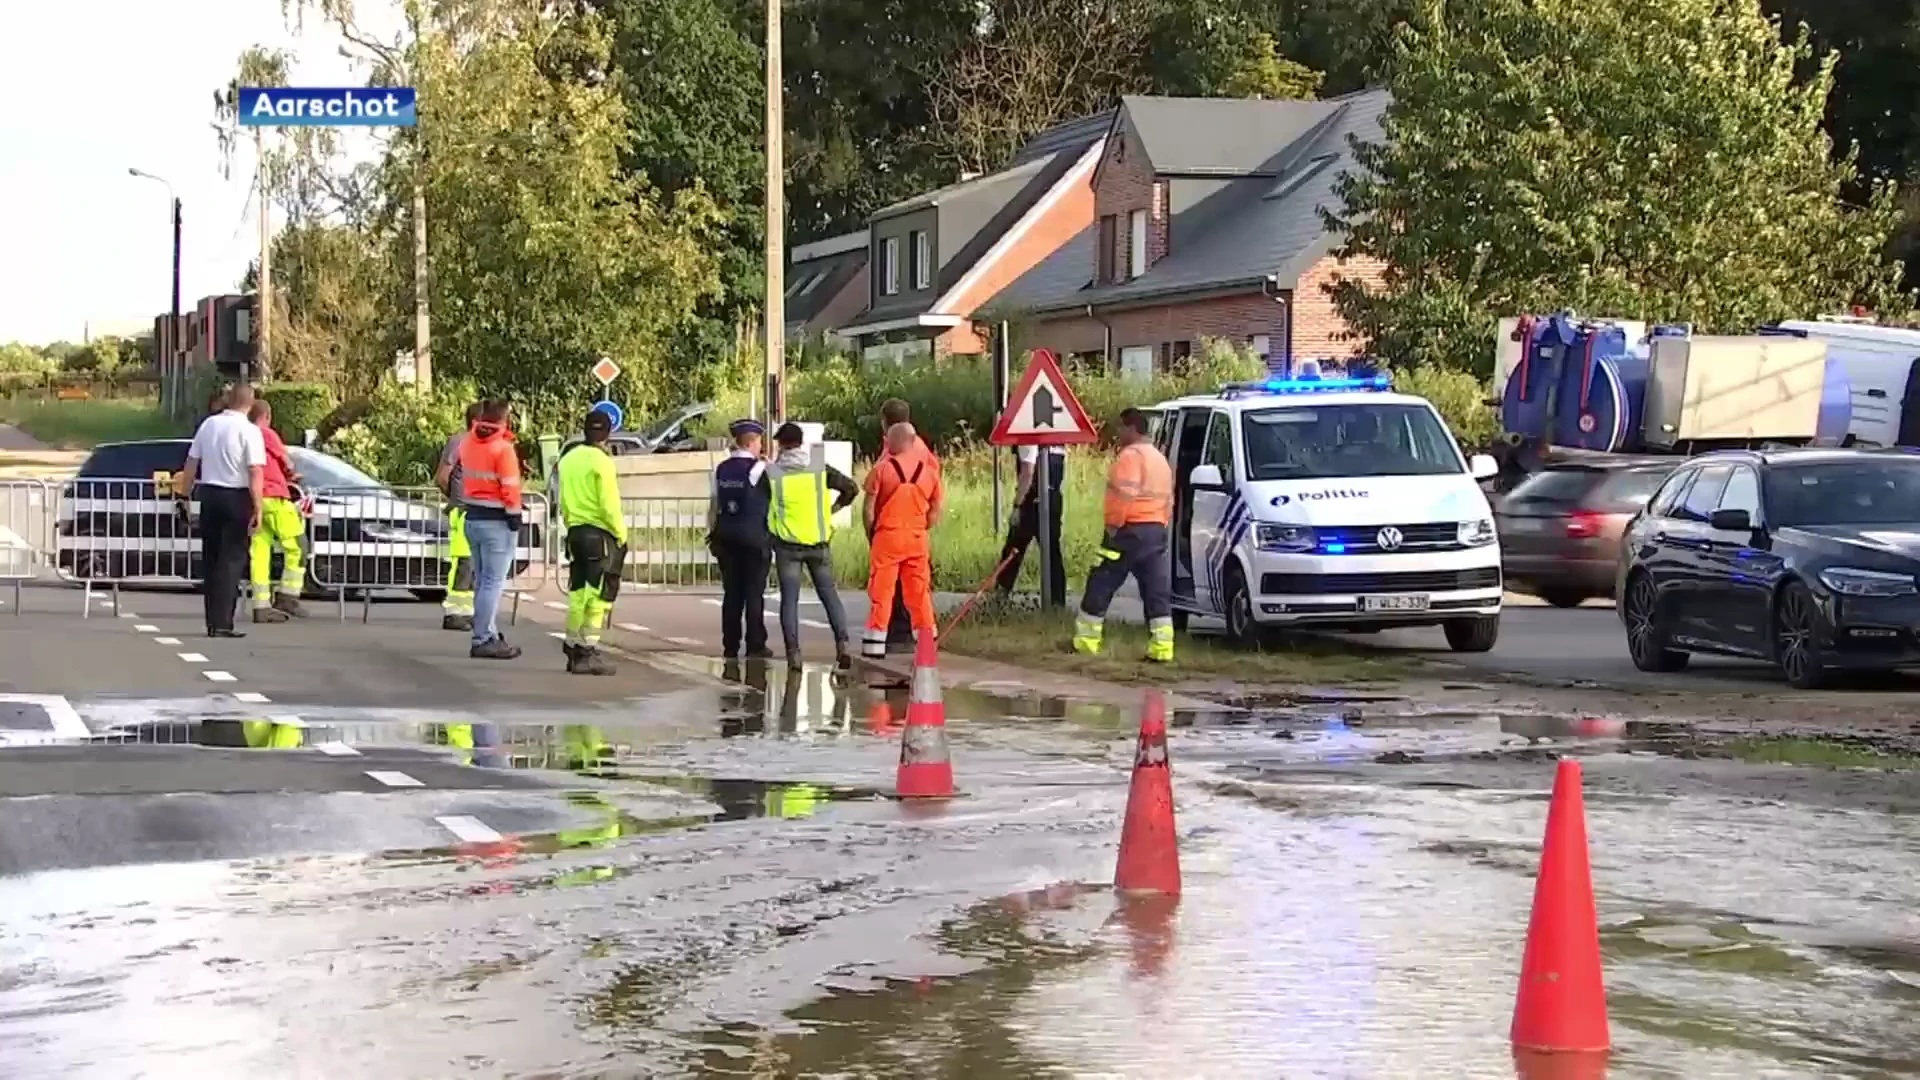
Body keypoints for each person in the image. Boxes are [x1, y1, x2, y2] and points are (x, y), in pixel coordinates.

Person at [1073, 407, 1175, 662]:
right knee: (1155, 590)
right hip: (1156, 530)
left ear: (1131, 428)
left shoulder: (1130, 457)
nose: (1118, 433)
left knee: (1102, 580)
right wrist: (1160, 524)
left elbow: (1122, 497)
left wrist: (1112, 528)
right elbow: (1169, 499)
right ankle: (1162, 649)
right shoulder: (1159, 459)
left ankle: (1086, 642)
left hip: (1128, 529)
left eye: (1121, 428)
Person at [176, 384, 266, 638]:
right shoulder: (249, 431)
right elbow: (255, 470)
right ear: (250, 403)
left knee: (212, 558)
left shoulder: (209, 425)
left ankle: (212, 622)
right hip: (236, 496)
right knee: (232, 560)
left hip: (210, 494)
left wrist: (185, 493)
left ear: (229, 400)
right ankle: (224, 621)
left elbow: (192, 462)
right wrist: (258, 505)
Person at [765, 421, 858, 667]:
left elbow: (763, 506)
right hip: (819, 543)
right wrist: (832, 509)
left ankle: (794, 655)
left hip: (787, 545)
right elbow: (851, 488)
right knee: (829, 595)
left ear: (781, 445)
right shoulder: (818, 468)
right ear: (801, 442)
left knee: (789, 601)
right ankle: (843, 645)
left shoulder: (773, 473)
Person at [862, 421, 943, 657]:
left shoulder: (881, 470)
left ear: (896, 441)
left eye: (888, 440)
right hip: (917, 538)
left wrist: (872, 533)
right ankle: (927, 643)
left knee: (882, 591)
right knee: (919, 591)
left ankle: (875, 645)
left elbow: (868, 510)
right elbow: (935, 511)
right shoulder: (929, 473)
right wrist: (920, 527)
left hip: (887, 537)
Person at [557, 409, 628, 675]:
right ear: (608, 435)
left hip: (575, 532)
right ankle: (587, 650)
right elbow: (609, 504)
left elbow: (562, 499)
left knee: (577, 592)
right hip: (600, 534)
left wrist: (570, 521)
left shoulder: (568, 459)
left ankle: (572, 644)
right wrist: (621, 533)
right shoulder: (602, 462)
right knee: (598, 596)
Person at [457, 399, 524, 660]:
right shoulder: (503, 449)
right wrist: (515, 516)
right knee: (492, 583)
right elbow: (510, 487)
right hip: (497, 521)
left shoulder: (468, 442)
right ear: (504, 420)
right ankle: (483, 637)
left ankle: (489, 633)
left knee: (483, 581)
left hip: (473, 517)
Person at [708, 418, 773, 659]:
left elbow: (714, 505)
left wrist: (713, 532)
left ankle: (730, 645)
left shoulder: (721, 469)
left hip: (726, 538)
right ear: (753, 441)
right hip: (754, 539)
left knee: (732, 594)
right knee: (754, 594)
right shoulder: (759, 468)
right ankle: (755, 644)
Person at [245, 399, 309, 622]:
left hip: (254, 499)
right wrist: (293, 475)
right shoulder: (266, 434)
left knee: (260, 554)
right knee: (299, 547)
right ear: (267, 416)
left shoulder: (243, 435)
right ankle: (288, 597)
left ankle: (261, 606)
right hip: (274, 496)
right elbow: (286, 462)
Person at [873, 398, 922, 648]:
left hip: (893, 528)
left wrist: (872, 528)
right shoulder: (919, 447)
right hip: (915, 527)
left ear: (885, 422)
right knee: (914, 584)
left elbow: (876, 491)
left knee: (891, 585)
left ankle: (898, 632)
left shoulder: (893, 450)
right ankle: (915, 634)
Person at [995, 442, 1067, 607]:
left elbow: (1028, 471)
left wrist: (1017, 505)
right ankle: (1057, 603)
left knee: (1013, 550)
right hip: (1053, 499)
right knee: (1052, 553)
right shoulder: (1058, 440)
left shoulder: (1029, 438)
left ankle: (999, 598)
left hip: (1031, 501)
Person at [433, 402, 484, 632]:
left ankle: (465, 612)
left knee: (473, 564)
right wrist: (455, 498)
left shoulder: (483, 445)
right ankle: (454, 612)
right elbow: (442, 477)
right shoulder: (460, 442)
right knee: (463, 562)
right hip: (463, 510)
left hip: (476, 510)